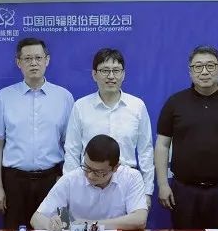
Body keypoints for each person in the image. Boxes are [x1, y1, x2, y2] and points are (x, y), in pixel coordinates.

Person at [155, 45, 218, 229]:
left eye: (210, 66)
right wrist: (162, 184)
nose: (204, 72)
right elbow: (162, 144)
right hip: (184, 191)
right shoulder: (175, 103)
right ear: (190, 71)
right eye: (198, 66)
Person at [0, 37, 73, 229]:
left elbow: (70, 144)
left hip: (52, 180)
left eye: (38, 58)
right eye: (28, 58)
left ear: (47, 60)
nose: (33, 63)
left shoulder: (63, 97)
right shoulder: (4, 97)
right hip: (14, 182)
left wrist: (66, 180)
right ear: (19, 62)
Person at [64, 48, 154, 207]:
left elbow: (145, 151)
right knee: (89, 223)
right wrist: (70, 189)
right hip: (89, 182)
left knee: (130, 224)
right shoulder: (81, 107)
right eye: (105, 71)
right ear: (94, 74)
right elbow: (72, 151)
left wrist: (147, 191)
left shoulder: (137, 106)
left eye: (116, 71)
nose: (111, 76)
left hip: (127, 184)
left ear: (123, 74)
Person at [32, 135, 148, 230]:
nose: (90, 175)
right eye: (87, 167)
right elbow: (36, 219)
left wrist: (91, 224)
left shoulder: (131, 177)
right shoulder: (70, 180)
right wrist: (49, 224)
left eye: (98, 172)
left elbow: (140, 219)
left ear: (115, 168)